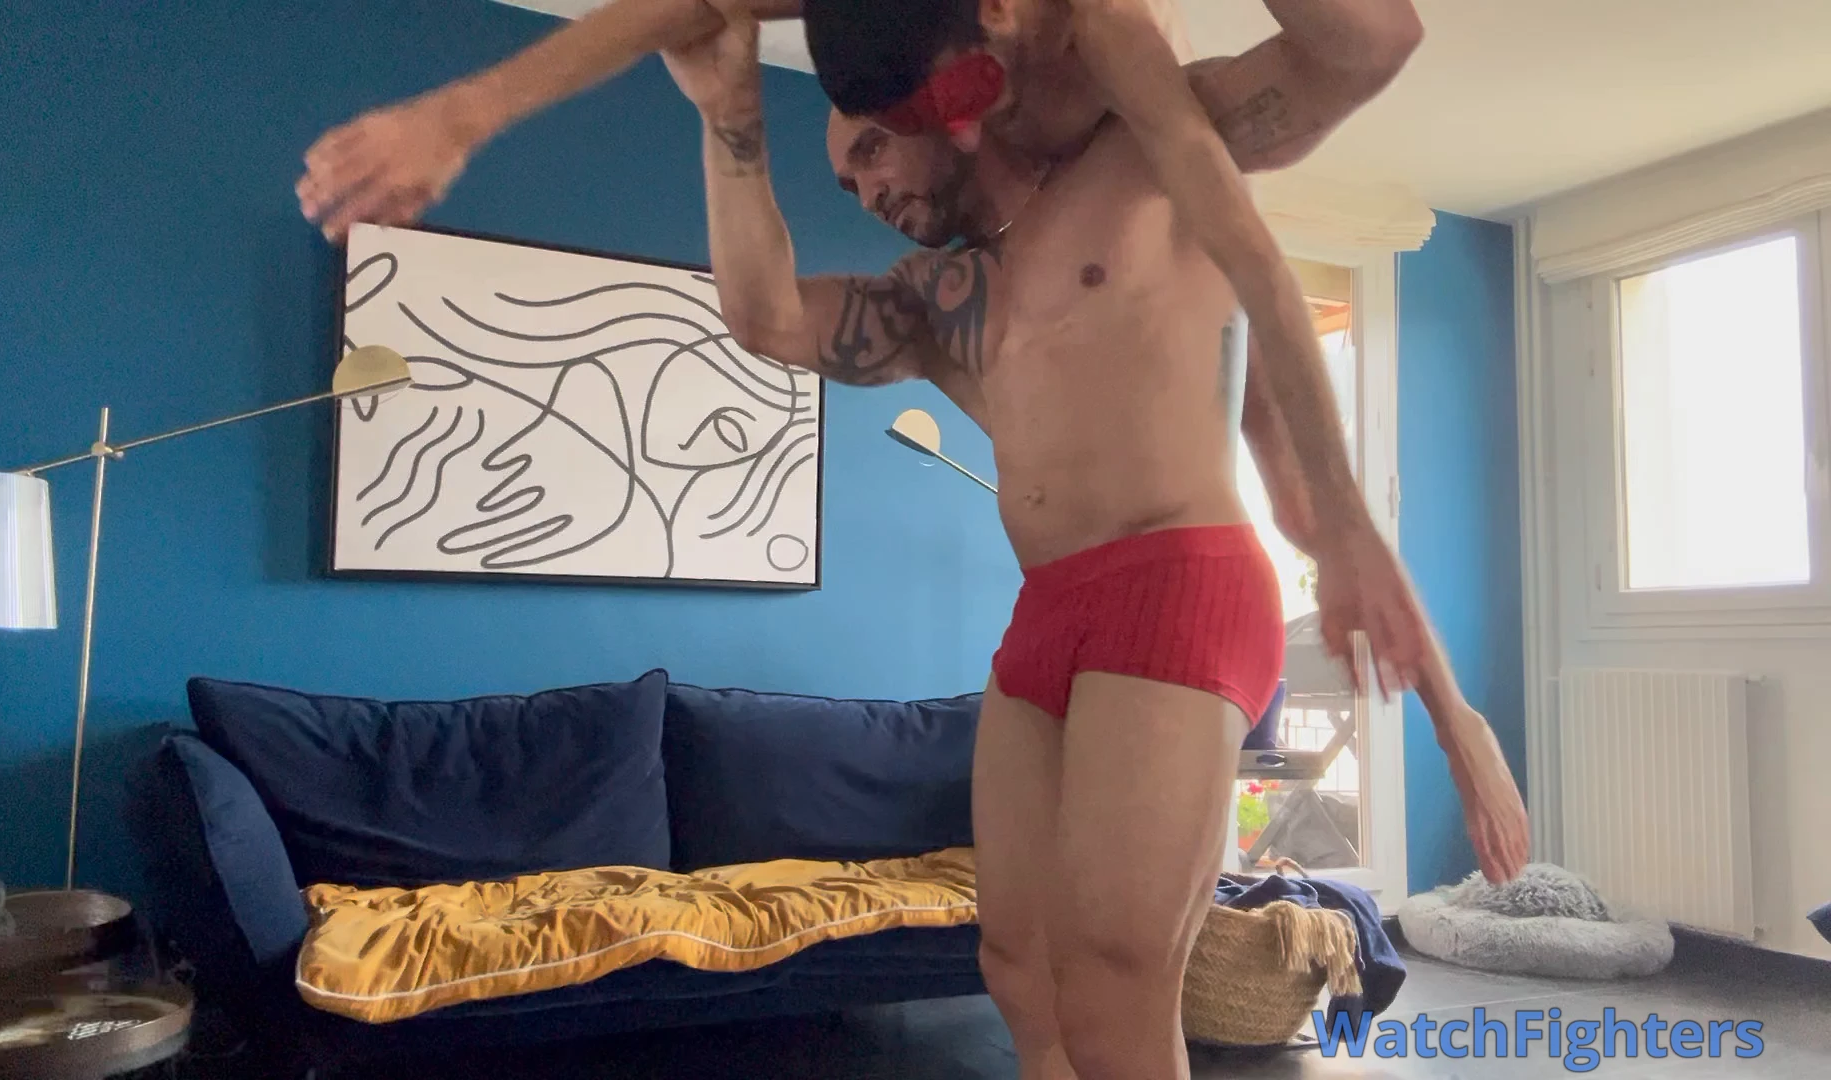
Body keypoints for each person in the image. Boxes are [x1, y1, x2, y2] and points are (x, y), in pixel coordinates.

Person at [296, 4, 1528, 1078]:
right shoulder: (943, 303)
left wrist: (1455, 719)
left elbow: (1364, 48)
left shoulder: (1150, 147)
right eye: (848, 182)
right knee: (1019, 970)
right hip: (1046, 613)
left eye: (875, 146)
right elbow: (764, 318)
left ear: (952, 104)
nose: (869, 188)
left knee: (1115, 982)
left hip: (1178, 582)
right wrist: (731, 122)